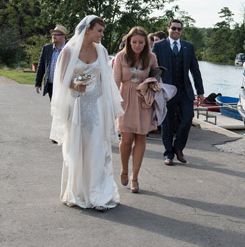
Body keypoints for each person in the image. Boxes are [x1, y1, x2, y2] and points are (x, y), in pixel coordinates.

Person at [50, 15, 123, 212]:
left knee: (98, 149)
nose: (102, 35)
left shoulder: (101, 51)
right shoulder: (69, 51)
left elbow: (105, 80)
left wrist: (110, 106)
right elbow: (61, 81)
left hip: (96, 106)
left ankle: (100, 195)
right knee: (77, 151)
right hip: (77, 107)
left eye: (103, 31)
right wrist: (76, 85)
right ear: (88, 29)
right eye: (99, 30)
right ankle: (78, 192)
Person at [152, 19, 204, 165]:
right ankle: (168, 154)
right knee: (167, 123)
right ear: (168, 28)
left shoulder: (188, 46)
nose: (176, 31)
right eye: (173, 28)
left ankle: (178, 147)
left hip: (184, 90)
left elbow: (195, 70)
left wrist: (200, 91)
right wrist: (153, 84)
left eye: (179, 29)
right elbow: (153, 67)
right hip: (167, 91)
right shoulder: (158, 46)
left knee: (188, 118)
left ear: (181, 31)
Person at [113, 27, 158, 194]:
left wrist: (154, 82)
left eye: (140, 42)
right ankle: (124, 169)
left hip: (143, 99)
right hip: (125, 98)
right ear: (128, 42)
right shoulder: (121, 56)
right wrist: (113, 103)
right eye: (134, 42)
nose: (137, 45)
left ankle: (135, 177)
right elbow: (115, 81)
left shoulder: (151, 57)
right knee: (126, 138)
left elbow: (156, 76)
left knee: (141, 137)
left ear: (145, 43)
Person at [35, 25, 68, 100]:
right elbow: (41, 66)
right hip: (51, 84)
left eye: (57, 35)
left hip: (64, 85)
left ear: (64, 36)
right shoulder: (47, 48)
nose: (54, 36)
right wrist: (38, 83)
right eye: (53, 34)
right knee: (54, 107)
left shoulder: (70, 49)